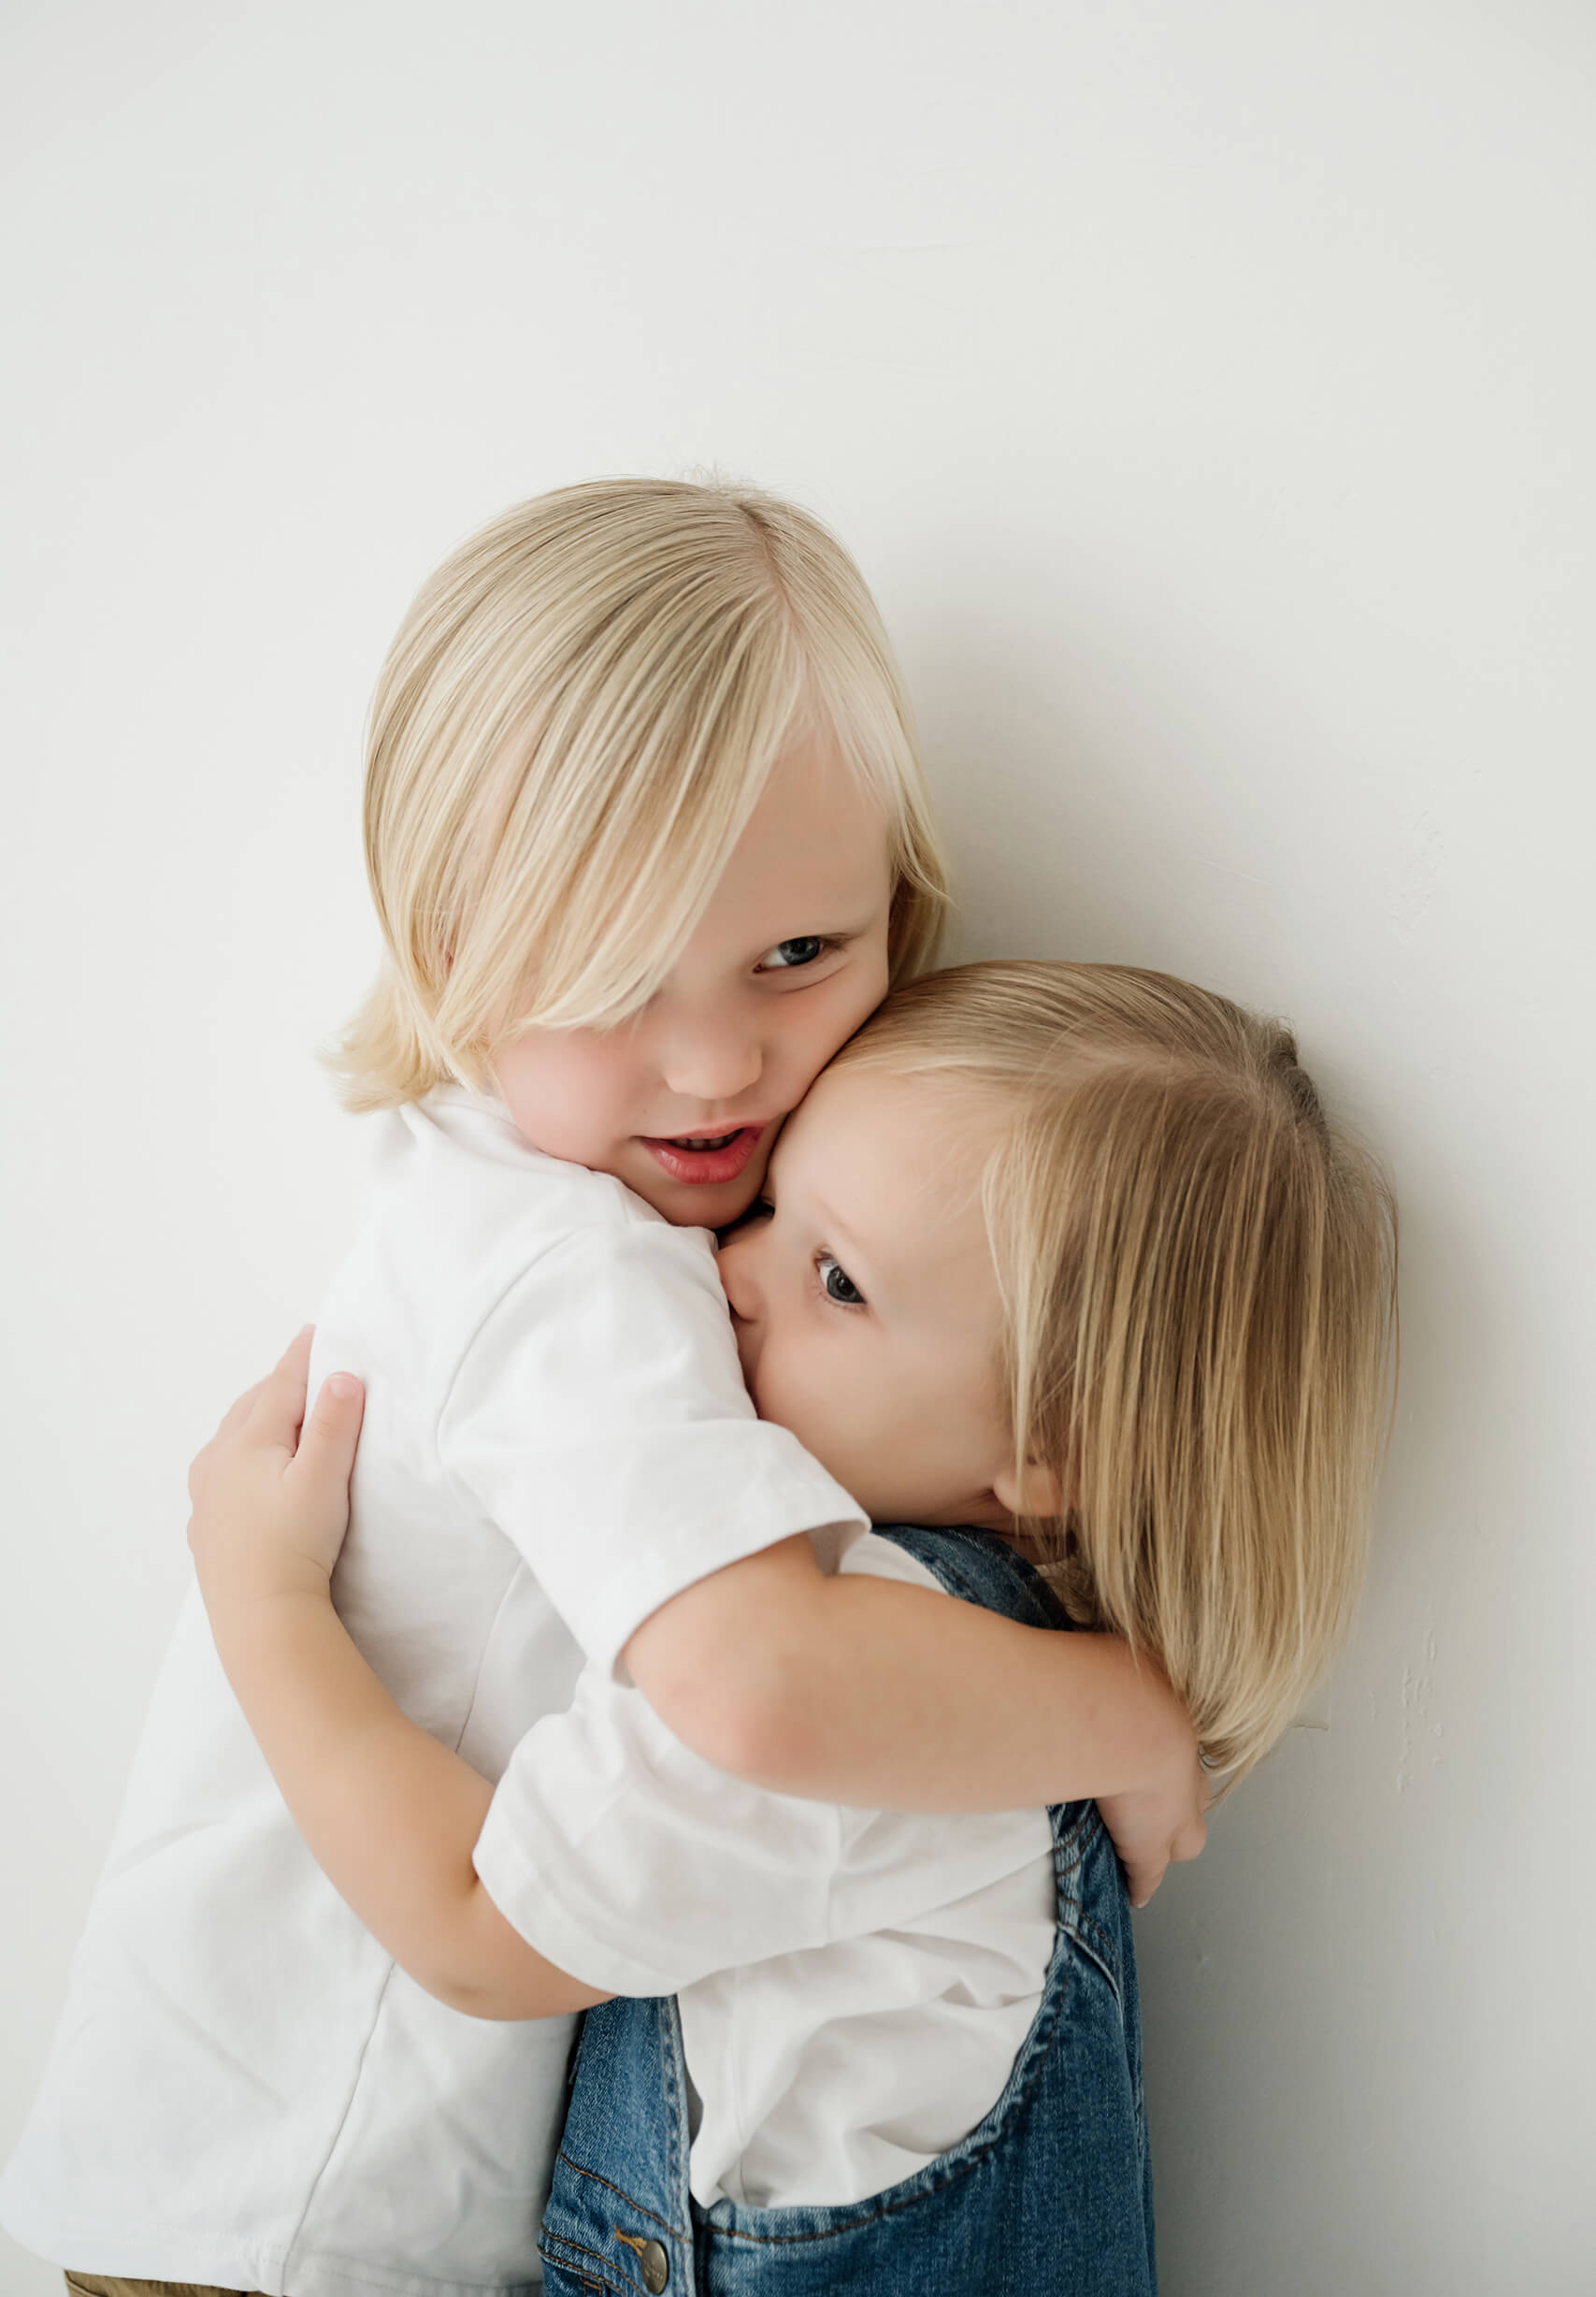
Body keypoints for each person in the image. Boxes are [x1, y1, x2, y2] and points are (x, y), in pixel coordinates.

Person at [0, 484, 1205, 2297]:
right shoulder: (578, 1268)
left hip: (234, 2158)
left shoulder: (492, 1172)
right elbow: (756, 1679)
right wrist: (1135, 1713)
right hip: (313, 2213)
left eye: (799, 955)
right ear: (442, 944)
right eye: (604, 978)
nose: (717, 1060)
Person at [183, 959, 1398, 2295]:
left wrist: (267, 1599)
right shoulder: (985, 1667)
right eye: (767, 1209)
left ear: (1049, 1454)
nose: (722, 1273)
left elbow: (472, 1926)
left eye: (834, 1278)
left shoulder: (858, 1686)